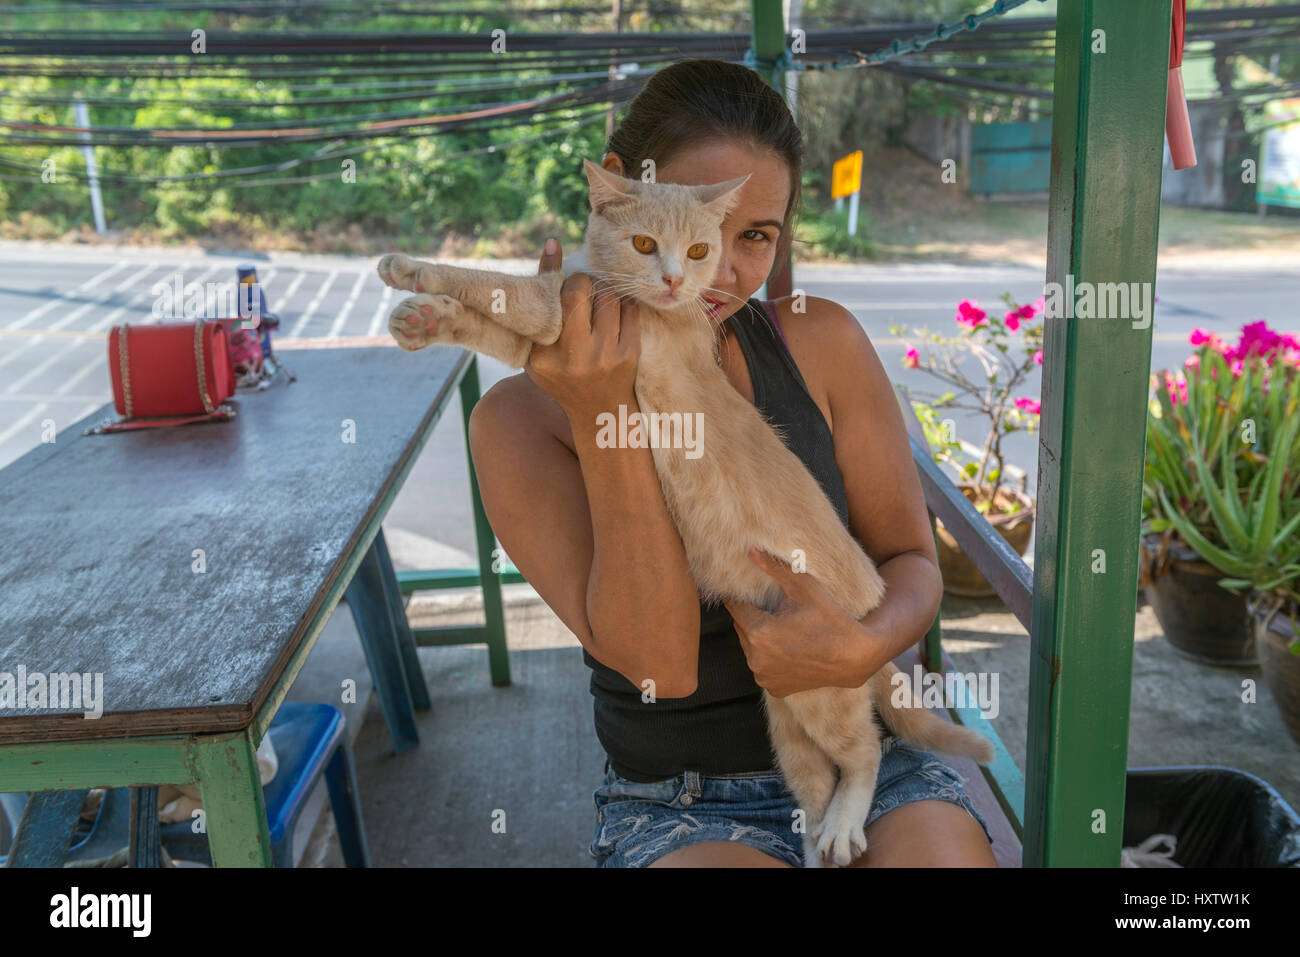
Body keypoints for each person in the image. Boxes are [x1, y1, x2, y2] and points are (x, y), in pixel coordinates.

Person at [468, 58, 996, 868]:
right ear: (617, 192)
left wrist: (864, 648)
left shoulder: (821, 343)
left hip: (873, 766)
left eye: (755, 237)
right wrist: (604, 410)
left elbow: (910, 561)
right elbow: (660, 665)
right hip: (679, 799)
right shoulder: (516, 421)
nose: (715, 269)